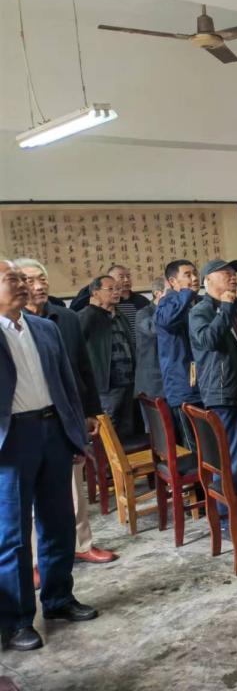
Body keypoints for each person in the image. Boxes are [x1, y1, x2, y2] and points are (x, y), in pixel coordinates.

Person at [0, 261, 98, 652]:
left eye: (23, 279)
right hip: (11, 441)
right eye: (11, 280)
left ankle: (58, 599)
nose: (22, 285)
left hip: (52, 430)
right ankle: (16, 620)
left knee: (58, 522)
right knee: (12, 535)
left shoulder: (45, 328)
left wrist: (75, 435)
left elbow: (67, 385)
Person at [16, 259, 117, 565]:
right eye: (30, 280)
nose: (39, 286)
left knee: (74, 486)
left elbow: (84, 368)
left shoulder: (67, 318)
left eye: (42, 279)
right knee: (27, 495)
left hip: (67, 414)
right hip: (26, 420)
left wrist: (91, 411)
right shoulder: (11, 324)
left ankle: (81, 543)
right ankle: (35, 559)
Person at [189, 259, 237, 494]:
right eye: (226, 273)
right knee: (229, 454)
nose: (233, 277)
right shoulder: (201, 311)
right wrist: (225, 308)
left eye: (234, 273)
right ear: (208, 280)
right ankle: (227, 510)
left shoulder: (230, 305)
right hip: (224, 390)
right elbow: (209, 341)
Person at [78, 275, 139, 445]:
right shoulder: (87, 316)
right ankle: (105, 462)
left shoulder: (120, 315)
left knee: (126, 428)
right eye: (110, 289)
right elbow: (76, 348)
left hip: (128, 381)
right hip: (106, 385)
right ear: (95, 292)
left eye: (117, 289)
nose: (116, 292)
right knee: (107, 428)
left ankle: (124, 461)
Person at [154, 260, 203, 448]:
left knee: (209, 441)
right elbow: (167, 321)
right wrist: (185, 292)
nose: (194, 278)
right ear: (173, 281)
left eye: (195, 273)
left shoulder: (196, 301)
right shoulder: (167, 302)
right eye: (188, 275)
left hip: (202, 381)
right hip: (183, 384)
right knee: (194, 443)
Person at [134, 278, 166, 405]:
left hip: (172, 378)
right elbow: (153, 330)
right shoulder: (144, 313)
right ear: (158, 293)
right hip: (153, 380)